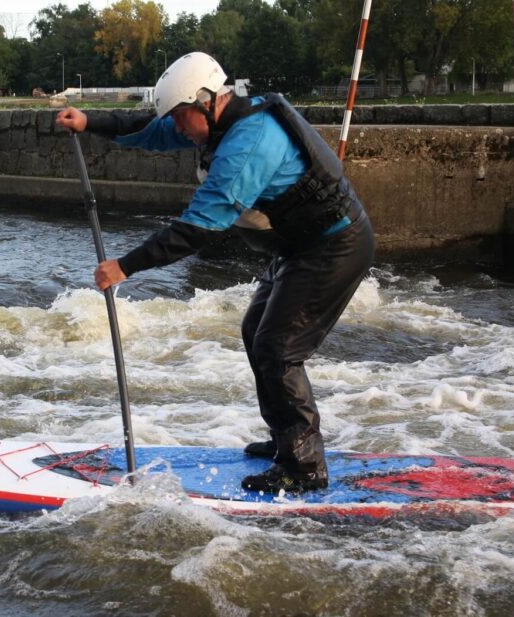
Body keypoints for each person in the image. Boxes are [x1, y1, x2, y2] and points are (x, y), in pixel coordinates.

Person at [56, 52, 374, 494]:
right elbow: (151, 130)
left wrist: (125, 266)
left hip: (335, 246)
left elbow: (198, 228)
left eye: (181, 116)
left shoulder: (249, 143)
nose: (178, 127)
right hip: (298, 248)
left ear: (207, 101)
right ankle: (287, 438)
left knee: (278, 348)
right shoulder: (211, 120)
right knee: (256, 332)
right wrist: (90, 122)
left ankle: (304, 468)